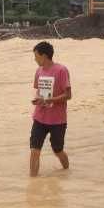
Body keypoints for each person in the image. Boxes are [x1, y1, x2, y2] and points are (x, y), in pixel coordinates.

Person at [29, 41, 71, 177]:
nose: (35, 59)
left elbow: (68, 95)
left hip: (57, 120)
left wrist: (49, 100)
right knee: (35, 150)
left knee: (57, 150)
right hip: (39, 118)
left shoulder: (61, 70)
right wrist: (38, 100)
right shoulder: (38, 71)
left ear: (44, 56)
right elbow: (40, 91)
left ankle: (67, 172)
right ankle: (32, 181)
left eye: (36, 56)